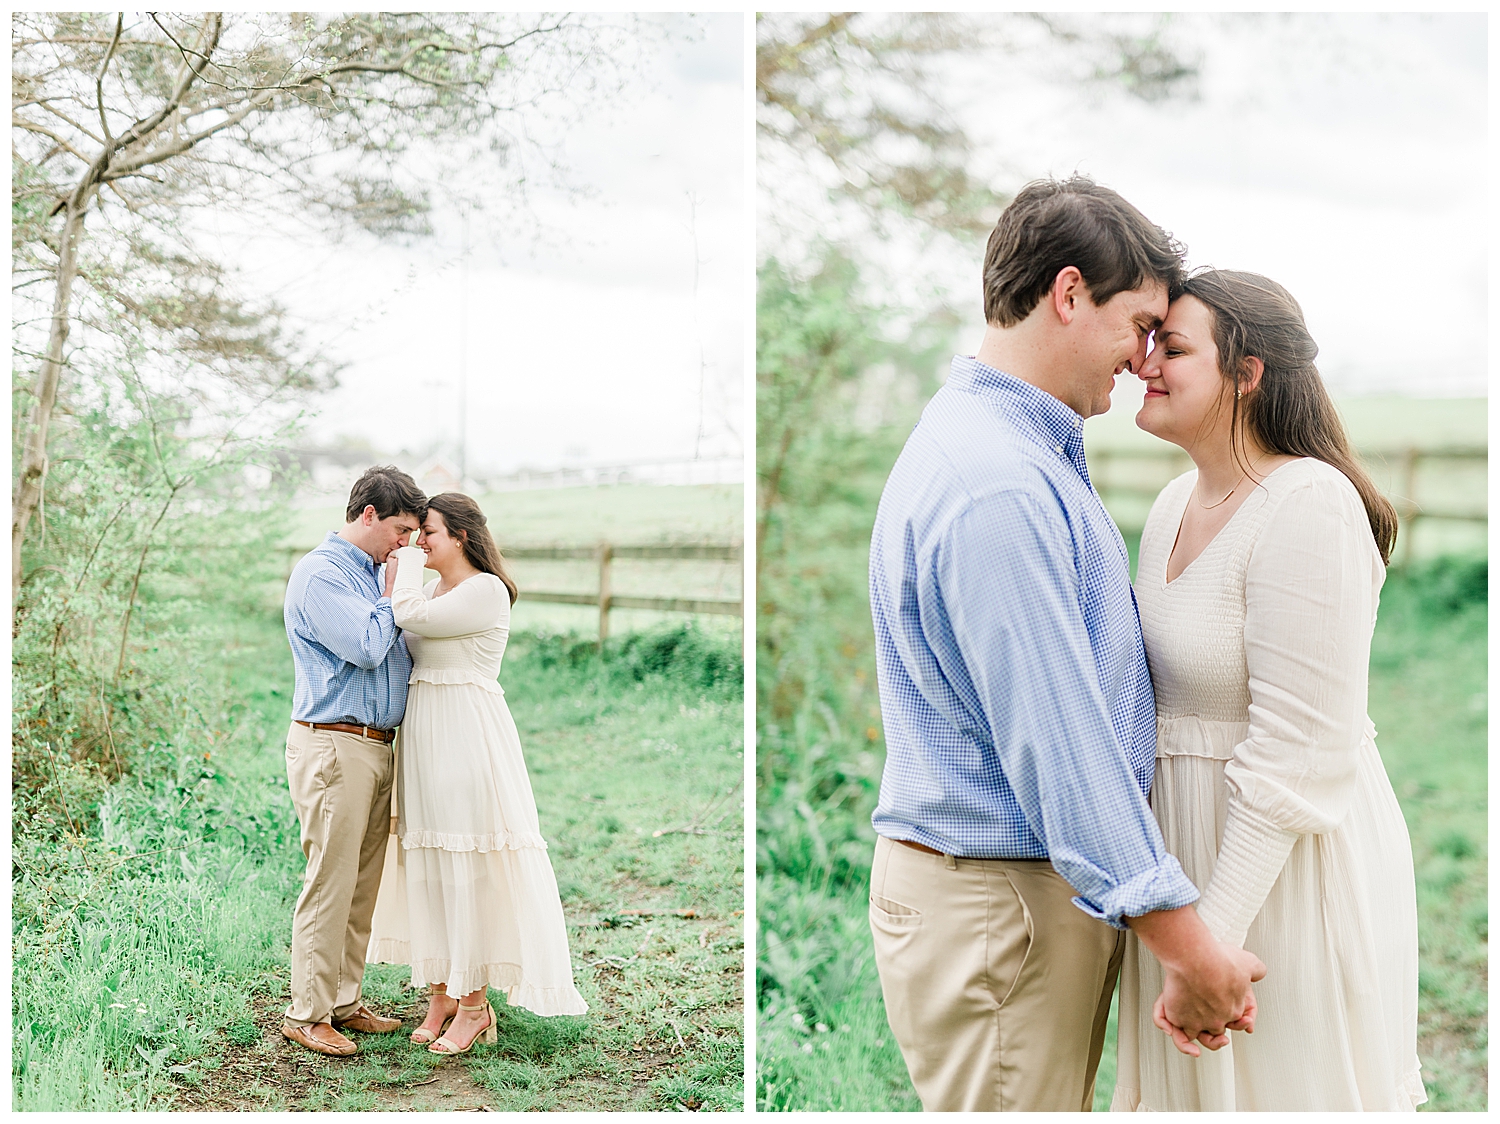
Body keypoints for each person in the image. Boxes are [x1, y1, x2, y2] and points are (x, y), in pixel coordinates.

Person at [865, 176, 1265, 1112]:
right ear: (1070, 292)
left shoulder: (1003, 446)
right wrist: (1188, 946)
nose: (1141, 361)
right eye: (1139, 326)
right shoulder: (997, 482)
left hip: (1020, 901)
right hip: (1003, 909)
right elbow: (1058, 738)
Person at [1113, 270, 1424, 1110]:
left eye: (1172, 348)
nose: (1144, 362)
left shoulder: (1309, 504)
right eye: (1148, 341)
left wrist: (1213, 937)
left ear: (1247, 373)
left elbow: (1298, 749)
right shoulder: (1177, 500)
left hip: (1279, 875)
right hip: (1186, 868)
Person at [367, 491, 587, 1055]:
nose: (419, 542)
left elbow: (408, 615)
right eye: (416, 536)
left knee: (467, 860)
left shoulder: (485, 592)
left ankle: (474, 1004)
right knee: (431, 860)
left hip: (467, 733)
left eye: (429, 534)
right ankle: (441, 990)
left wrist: (405, 565)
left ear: (460, 537)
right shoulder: (438, 588)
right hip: (423, 732)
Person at [281, 465, 426, 1057]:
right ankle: (307, 1012)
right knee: (329, 881)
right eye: (400, 529)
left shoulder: (370, 572)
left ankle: (343, 999)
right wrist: (395, 593)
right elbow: (368, 648)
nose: (405, 543)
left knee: (362, 883)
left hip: (374, 745)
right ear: (367, 515)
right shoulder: (321, 575)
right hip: (334, 744)